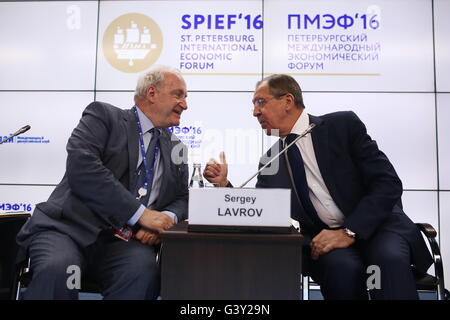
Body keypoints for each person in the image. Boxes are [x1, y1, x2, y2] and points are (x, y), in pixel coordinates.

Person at [203, 74, 433, 300]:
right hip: (327, 241)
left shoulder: (342, 125)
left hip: (378, 227)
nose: (255, 112)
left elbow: (388, 183)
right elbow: (259, 210)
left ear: (287, 101)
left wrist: (349, 231)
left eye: (260, 102)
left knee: (388, 259)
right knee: (340, 269)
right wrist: (224, 185)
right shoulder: (270, 161)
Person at [16, 66, 189, 300]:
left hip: (121, 242)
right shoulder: (104, 116)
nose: (185, 104)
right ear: (151, 93)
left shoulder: (177, 147)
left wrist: (165, 218)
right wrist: (141, 215)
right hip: (68, 230)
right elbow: (83, 168)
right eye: (178, 95)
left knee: (143, 272)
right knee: (59, 270)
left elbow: (182, 197)